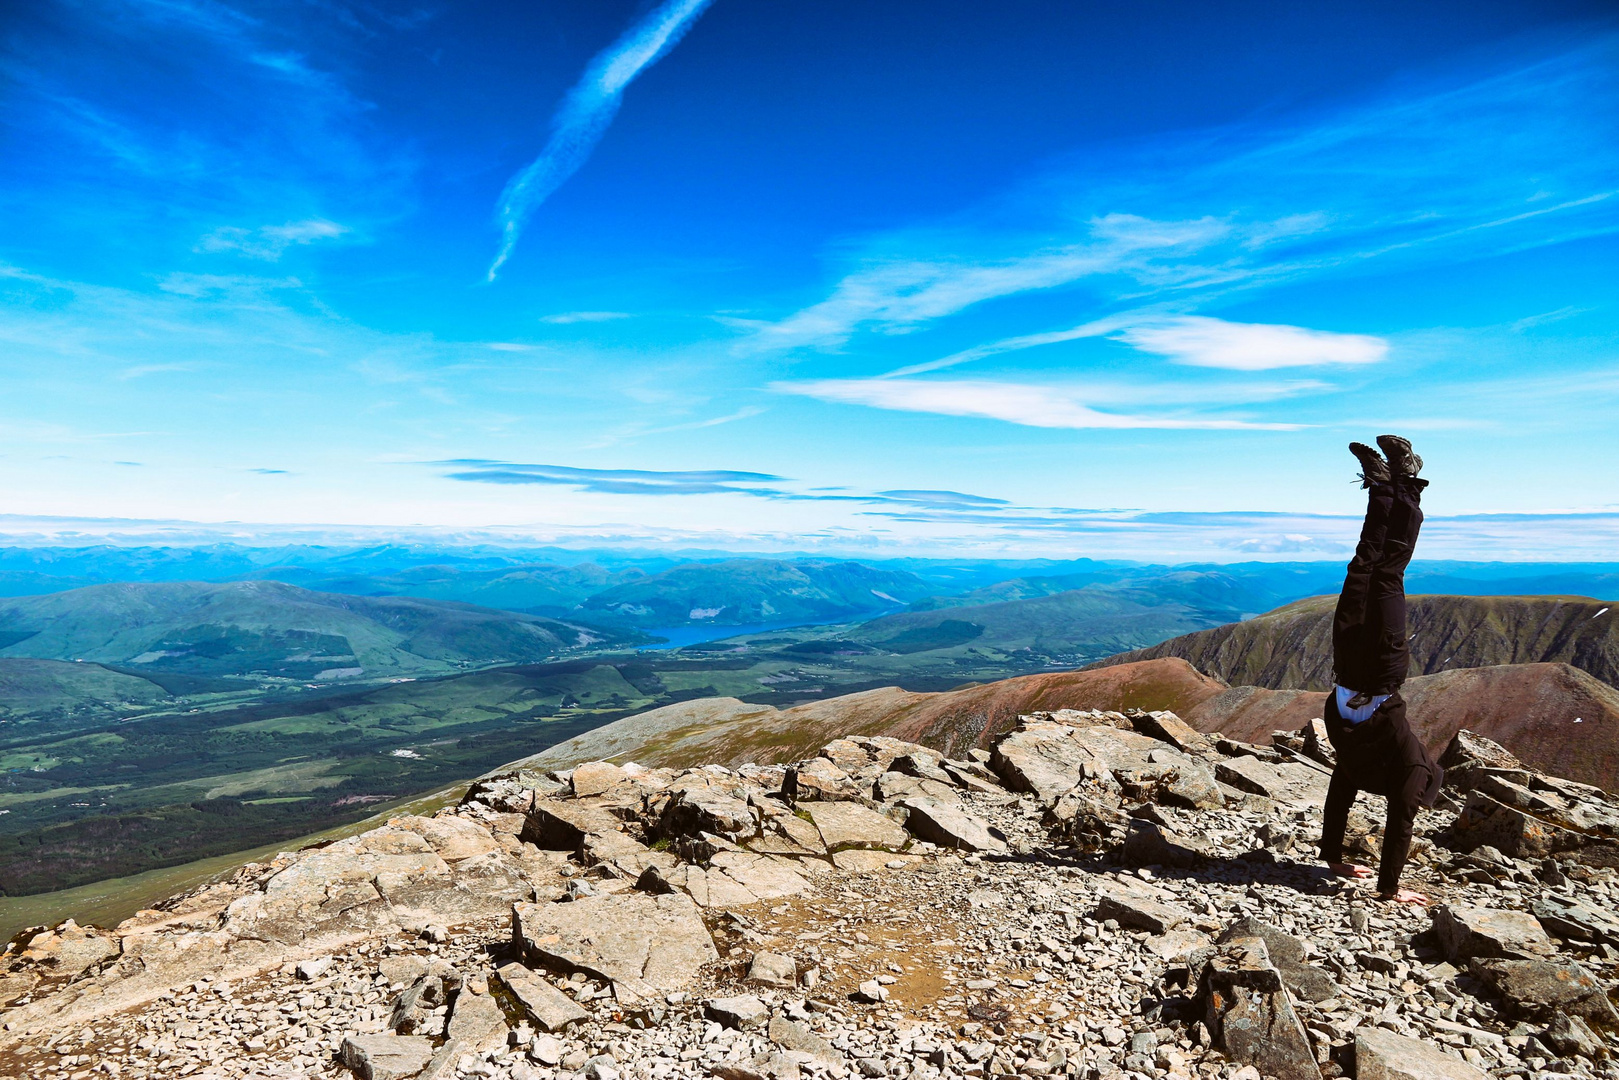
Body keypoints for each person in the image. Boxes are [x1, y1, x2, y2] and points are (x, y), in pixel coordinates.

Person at [1318, 434, 1444, 905]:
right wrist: (1390, 890)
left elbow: (1338, 795)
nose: (1407, 798)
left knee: (1359, 569)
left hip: (1346, 670)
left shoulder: (1358, 762)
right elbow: (1400, 824)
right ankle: (1408, 480)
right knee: (1388, 574)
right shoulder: (1410, 767)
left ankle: (1381, 488)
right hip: (1383, 668)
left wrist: (1332, 857)